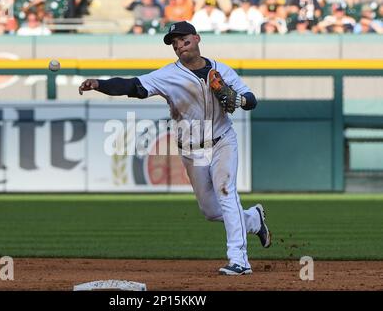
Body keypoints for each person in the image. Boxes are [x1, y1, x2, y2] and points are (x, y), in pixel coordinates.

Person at [78, 21, 271, 275]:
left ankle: (239, 260)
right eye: (174, 42)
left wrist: (239, 98)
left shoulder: (222, 70)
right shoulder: (167, 75)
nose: (179, 44)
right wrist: (100, 84)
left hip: (223, 141)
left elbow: (251, 101)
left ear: (197, 38)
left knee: (226, 192)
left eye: (183, 38)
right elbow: (133, 86)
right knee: (211, 210)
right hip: (192, 150)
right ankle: (254, 220)